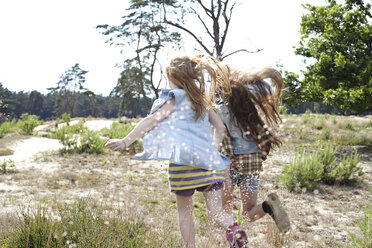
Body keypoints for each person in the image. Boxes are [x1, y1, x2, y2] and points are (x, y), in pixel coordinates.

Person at [105, 55, 248, 248]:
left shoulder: (174, 98)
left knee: (184, 211)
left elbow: (151, 120)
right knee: (216, 212)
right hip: (210, 163)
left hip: (184, 163)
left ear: (172, 76)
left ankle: (190, 246)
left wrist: (125, 141)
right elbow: (220, 128)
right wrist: (213, 149)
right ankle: (234, 229)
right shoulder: (202, 100)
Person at [215, 65, 291, 233]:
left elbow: (220, 139)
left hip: (230, 165)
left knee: (223, 211)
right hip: (252, 163)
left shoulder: (220, 111)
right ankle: (268, 205)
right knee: (248, 214)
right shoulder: (250, 109)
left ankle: (230, 239)